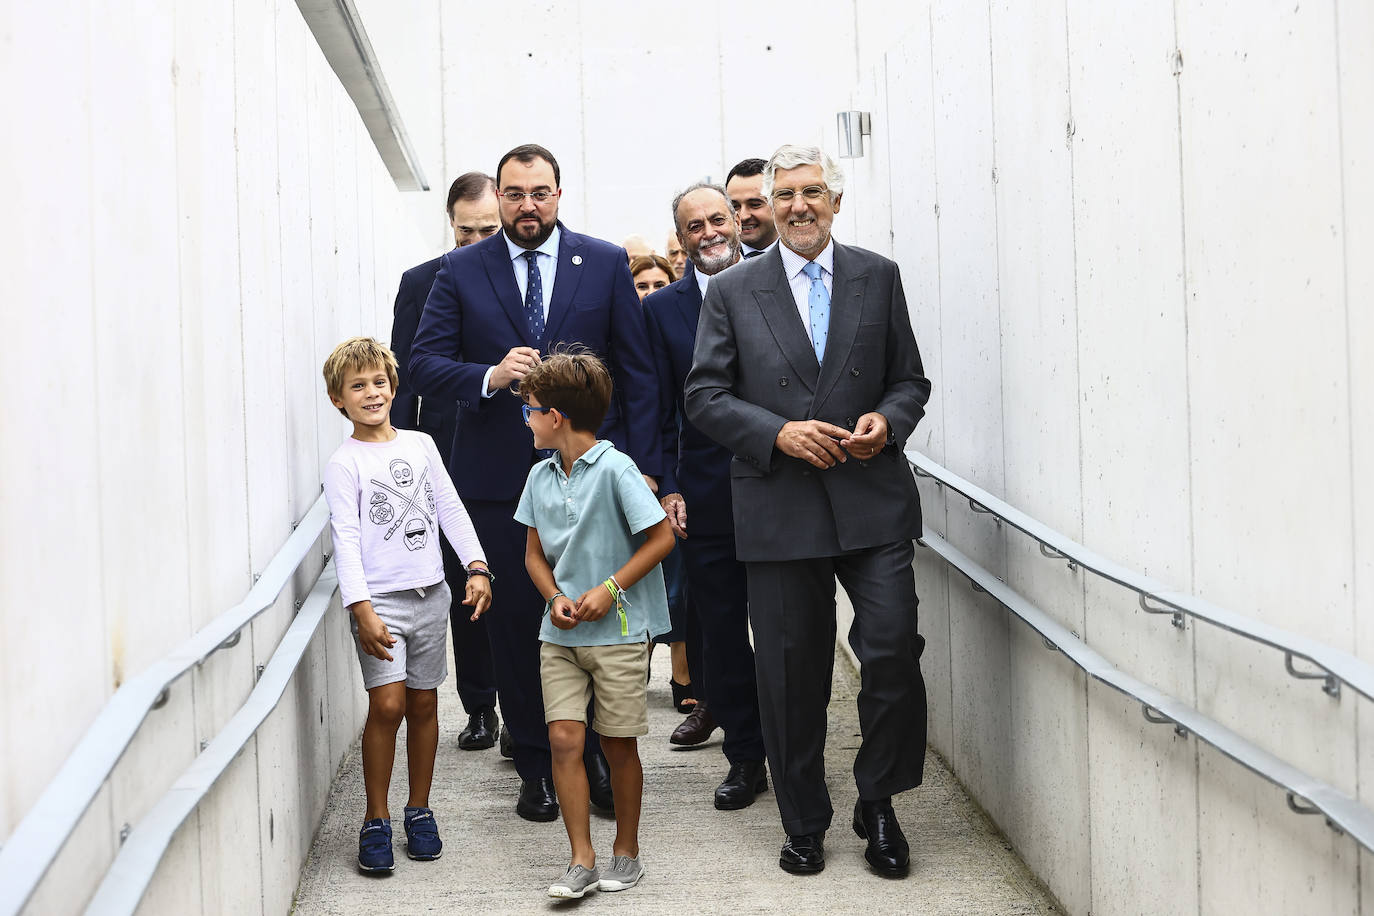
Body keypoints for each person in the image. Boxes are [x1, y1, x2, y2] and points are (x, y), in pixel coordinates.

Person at [685, 145, 931, 877]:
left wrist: (888, 422)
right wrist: (777, 433)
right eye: (783, 194)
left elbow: (909, 380)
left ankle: (879, 800)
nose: (797, 206)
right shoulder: (733, 290)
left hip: (872, 500)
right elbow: (703, 396)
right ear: (763, 205)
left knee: (891, 652)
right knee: (793, 674)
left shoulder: (878, 277)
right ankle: (804, 821)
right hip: (780, 504)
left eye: (811, 192)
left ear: (836, 200)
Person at [408, 143, 660, 823]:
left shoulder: (604, 262)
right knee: (519, 626)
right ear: (500, 194)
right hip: (495, 480)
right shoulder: (462, 269)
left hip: (592, 479)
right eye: (514, 194)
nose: (528, 206)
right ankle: (536, 767)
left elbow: (637, 375)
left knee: (598, 623)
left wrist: (639, 469)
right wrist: (488, 375)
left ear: (559, 193)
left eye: (540, 192)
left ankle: (603, 763)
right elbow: (423, 363)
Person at [320, 337, 493, 873]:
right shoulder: (344, 463)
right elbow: (345, 539)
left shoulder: (420, 444)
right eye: (357, 386)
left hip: (431, 595)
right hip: (381, 604)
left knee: (423, 705)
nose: (371, 392)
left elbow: (450, 507)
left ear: (394, 387)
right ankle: (376, 817)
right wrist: (360, 608)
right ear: (338, 400)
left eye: (379, 382)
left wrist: (477, 565)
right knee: (388, 705)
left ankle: (419, 809)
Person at [515, 350, 674, 898]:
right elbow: (533, 555)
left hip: (619, 633)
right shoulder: (538, 476)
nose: (527, 420)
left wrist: (610, 589)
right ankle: (581, 859)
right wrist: (554, 596)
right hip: (559, 634)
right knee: (563, 739)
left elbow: (661, 538)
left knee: (617, 745)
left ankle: (625, 852)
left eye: (530, 411)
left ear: (555, 416)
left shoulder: (617, 469)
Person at [643, 181, 768, 806]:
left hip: (781, 489)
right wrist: (667, 486)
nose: (710, 232)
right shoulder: (660, 311)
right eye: (694, 226)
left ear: (739, 221)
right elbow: (657, 407)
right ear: (682, 237)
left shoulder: (777, 286)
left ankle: (790, 744)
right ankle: (745, 755)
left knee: (784, 631)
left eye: (718, 219)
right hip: (705, 496)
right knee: (720, 633)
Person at [390, 171, 503, 753]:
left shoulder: (523, 275)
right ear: (450, 224)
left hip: (514, 445)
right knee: (464, 582)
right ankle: (482, 707)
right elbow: (404, 376)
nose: (476, 240)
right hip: (442, 453)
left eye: (488, 229)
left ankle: (525, 701)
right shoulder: (421, 281)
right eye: (466, 230)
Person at [724, 158, 778, 258]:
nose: (743, 216)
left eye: (754, 205)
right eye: (735, 206)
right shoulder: (712, 265)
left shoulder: (804, 256)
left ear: (777, 203)